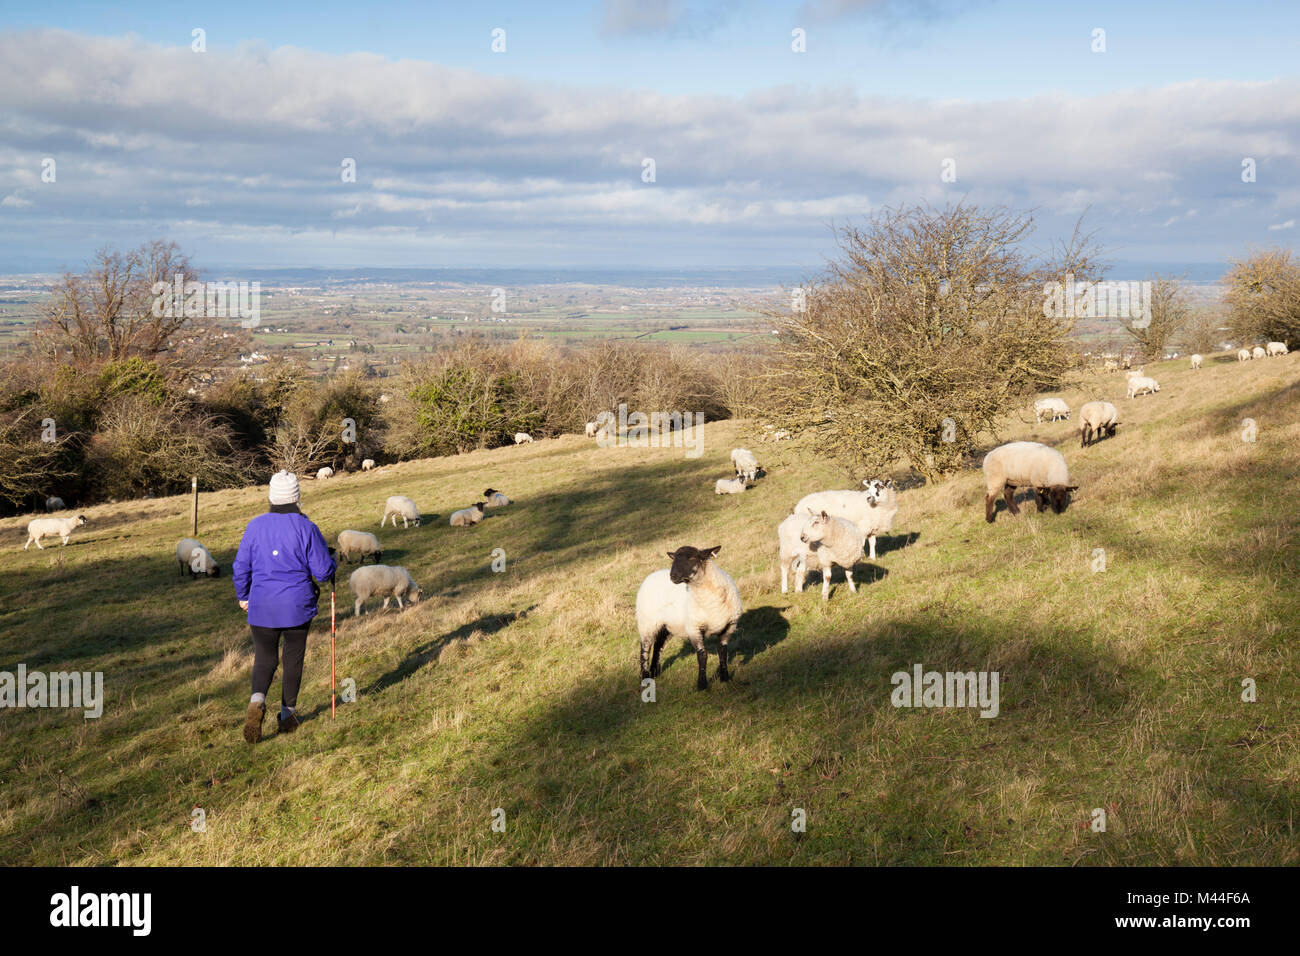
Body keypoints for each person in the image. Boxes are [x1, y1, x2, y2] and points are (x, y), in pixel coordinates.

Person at [232, 470, 337, 743]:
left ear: (271, 496)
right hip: (296, 607)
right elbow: (323, 571)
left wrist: (243, 595)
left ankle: (257, 701)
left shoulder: (255, 526)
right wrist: (332, 562)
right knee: (293, 658)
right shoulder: (306, 527)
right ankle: (287, 716)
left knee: (264, 657)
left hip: (261, 605)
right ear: (296, 497)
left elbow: (241, 565)